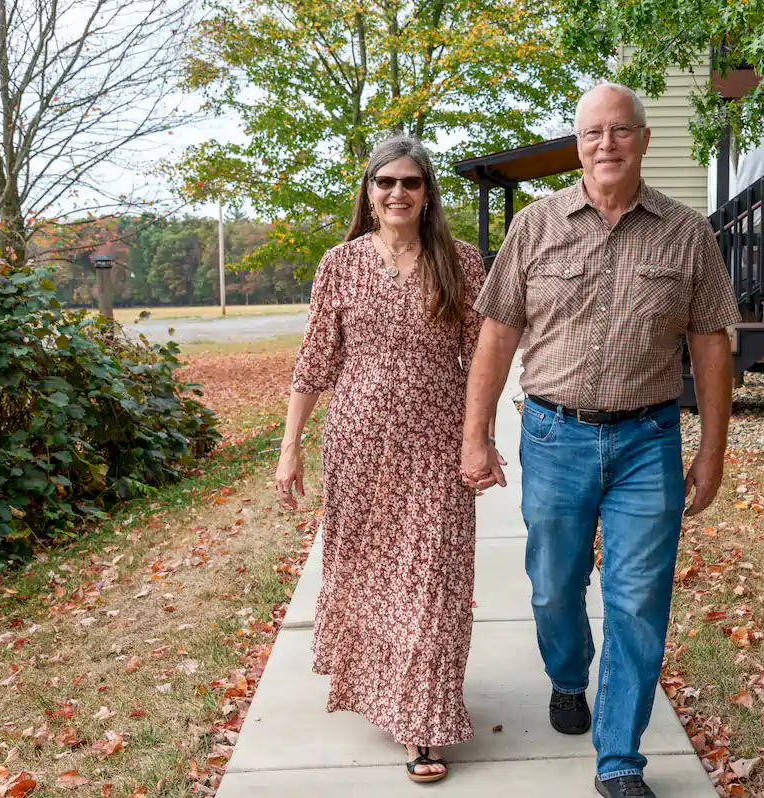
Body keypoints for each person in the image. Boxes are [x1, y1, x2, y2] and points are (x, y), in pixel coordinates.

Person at [459, 83, 741, 798]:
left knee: (638, 600)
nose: (606, 144)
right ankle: (565, 674)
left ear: (643, 139)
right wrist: (477, 435)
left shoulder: (687, 234)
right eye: (592, 133)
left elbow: (711, 344)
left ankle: (619, 759)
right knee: (554, 588)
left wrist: (711, 450)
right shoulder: (535, 225)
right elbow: (497, 335)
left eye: (620, 131)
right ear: (577, 145)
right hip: (555, 437)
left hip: (648, 443)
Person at [275, 134, 491, 785]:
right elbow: (314, 362)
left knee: (433, 581)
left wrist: (479, 434)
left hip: (437, 445)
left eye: (410, 183)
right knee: (369, 575)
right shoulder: (339, 264)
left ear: (427, 194)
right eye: (385, 183)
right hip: (360, 447)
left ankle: (422, 722)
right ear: (368, 193)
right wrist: (291, 450)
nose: (397, 193)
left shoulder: (461, 262)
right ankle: (379, 689)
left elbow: (487, 357)